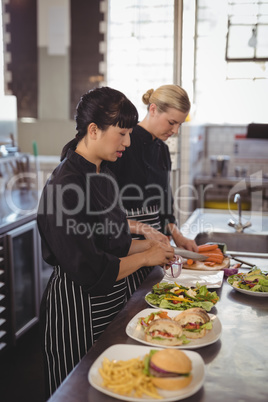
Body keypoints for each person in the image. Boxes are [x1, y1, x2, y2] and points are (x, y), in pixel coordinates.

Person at [37, 87, 174, 397]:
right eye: (122, 133)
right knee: (77, 392)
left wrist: (156, 249)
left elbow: (114, 243)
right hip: (76, 309)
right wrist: (145, 258)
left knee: (111, 389)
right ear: (94, 129)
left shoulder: (105, 175)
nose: (127, 142)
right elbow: (92, 269)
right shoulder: (65, 186)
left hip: (110, 305)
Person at [108, 84, 198, 296]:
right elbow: (107, 211)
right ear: (153, 109)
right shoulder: (122, 146)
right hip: (125, 251)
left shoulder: (162, 150)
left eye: (179, 125)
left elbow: (164, 207)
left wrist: (178, 237)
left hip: (157, 252)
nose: (175, 131)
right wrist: (144, 231)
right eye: (172, 122)